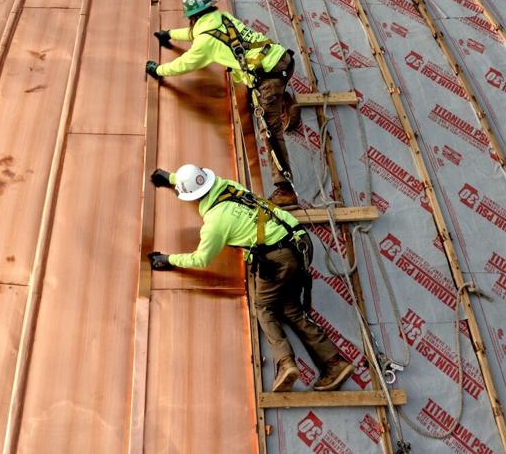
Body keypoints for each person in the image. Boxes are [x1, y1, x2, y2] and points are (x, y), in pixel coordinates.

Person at [147, 164, 355, 393]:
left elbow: (200, 260)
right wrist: (170, 178)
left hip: (279, 258)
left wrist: (167, 260)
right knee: (290, 308)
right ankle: (335, 363)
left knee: (263, 306)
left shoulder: (215, 224)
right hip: (300, 242)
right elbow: (194, 181)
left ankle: (286, 364)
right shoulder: (228, 186)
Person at [145, 0, 301, 208]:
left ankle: (285, 191)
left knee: (270, 130)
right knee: (263, 92)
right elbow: (196, 34)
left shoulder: (204, 42)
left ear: (192, 17)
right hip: (282, 60)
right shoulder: (222, 18)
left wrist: (158, 69)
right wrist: (170, 34)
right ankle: (284, 101)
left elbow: (185, 63)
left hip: (268, 79)